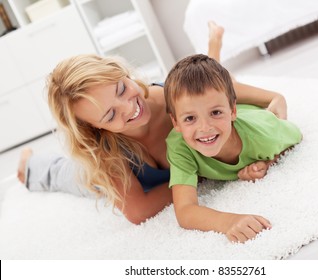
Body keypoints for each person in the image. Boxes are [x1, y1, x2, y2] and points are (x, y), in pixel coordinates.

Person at [17, 22, 288, 225]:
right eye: (110, 115)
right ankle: (29, 163)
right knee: (71, 176)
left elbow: (226, 91)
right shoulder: (103, 150)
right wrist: (196, 177)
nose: (129, 108)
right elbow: (138, 211)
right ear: (95, 128)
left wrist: (275, 101)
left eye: (122, 89)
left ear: (123, 73)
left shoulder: (173, 96)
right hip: (115, 176)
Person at [164, 54, 302, 243]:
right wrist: (228, 221)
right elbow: (185, 211)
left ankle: (216, 51)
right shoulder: (179, 144)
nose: (204, 128)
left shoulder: (262, 135)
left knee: (228, 82)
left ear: (232, 111)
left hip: (250, 112)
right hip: (230, 106)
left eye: (215, 113)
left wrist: (268, 161)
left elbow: (295, 134)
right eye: (189, 118)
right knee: (218, 80)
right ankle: (215, 47)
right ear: (176, 123)